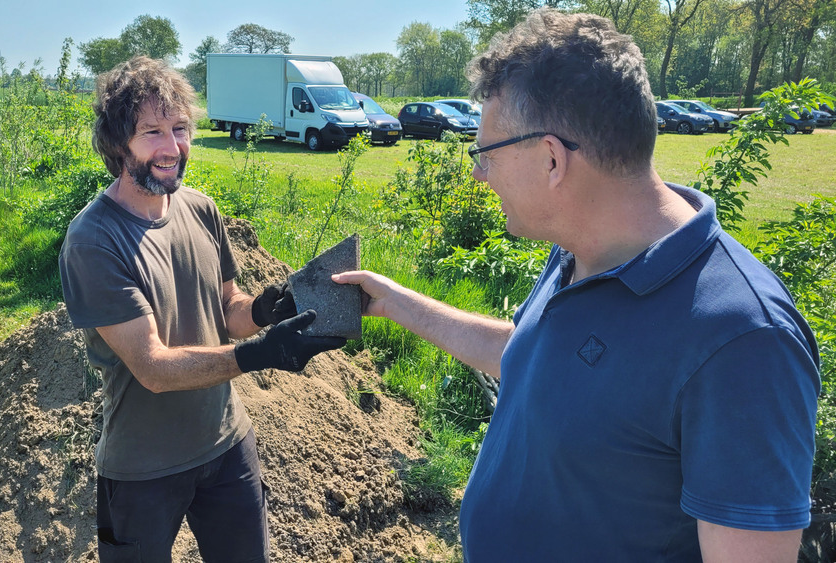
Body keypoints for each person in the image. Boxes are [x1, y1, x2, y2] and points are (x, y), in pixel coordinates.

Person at [333, 9, 820, 562]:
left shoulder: (744, 340)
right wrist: (394, 302)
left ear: (551, 159)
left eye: (485, 154)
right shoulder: (579, 251)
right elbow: (533, 357)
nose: (477, 174)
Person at [58, 55, 344, 562]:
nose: (172, 148)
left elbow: (227, 309)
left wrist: (264, 311)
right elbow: (152, 368)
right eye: (152, 132)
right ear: (118, 143)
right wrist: (259, 356)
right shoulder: (93, 241)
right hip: (143, 466)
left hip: (227, 444)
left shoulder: (200, 209)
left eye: (180, 128)